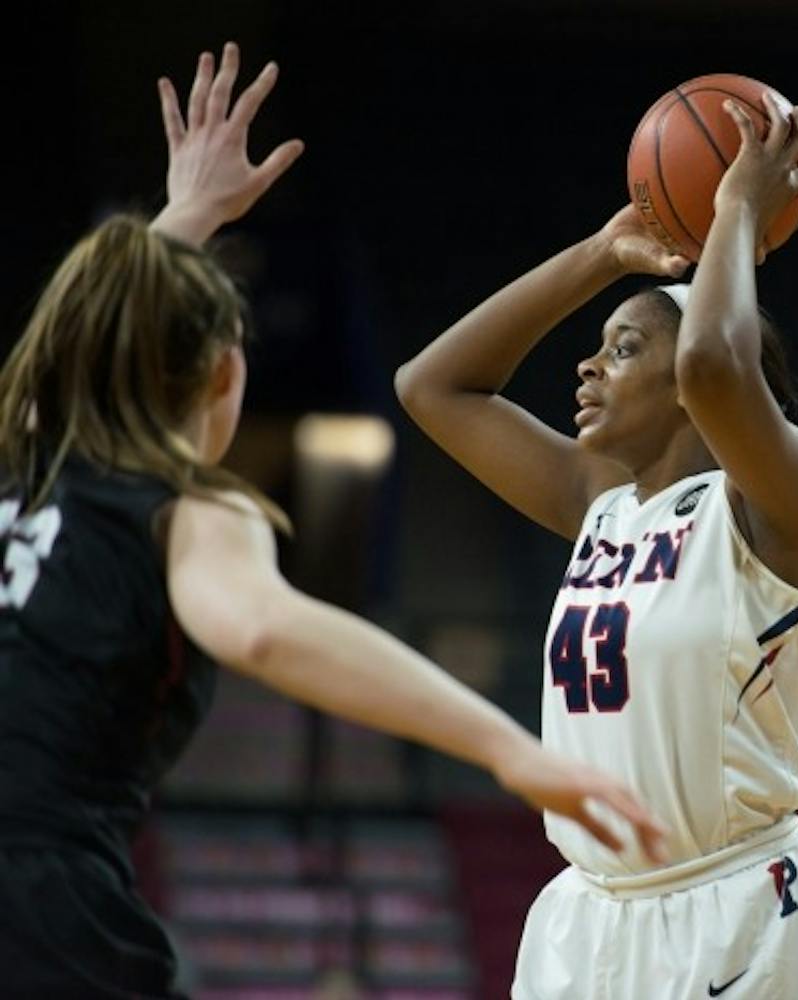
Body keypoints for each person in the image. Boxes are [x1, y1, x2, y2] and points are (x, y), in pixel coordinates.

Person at [0, 43, 663, 999]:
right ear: (225, 375)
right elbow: (264, 626)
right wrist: (507, 747)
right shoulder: (185, 507)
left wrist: (187, 215)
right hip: (39, 909)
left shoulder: (32, 459)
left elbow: (89, 347)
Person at [397, 90, 798, 998]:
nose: (588, 364)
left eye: (625, 348)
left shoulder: (780, 502)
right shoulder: (601, 503)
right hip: (589, 919)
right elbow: (432, 387)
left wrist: (736, 213)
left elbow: (716, 363)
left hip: (736, 915)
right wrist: (601, 256)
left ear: (686, 389)